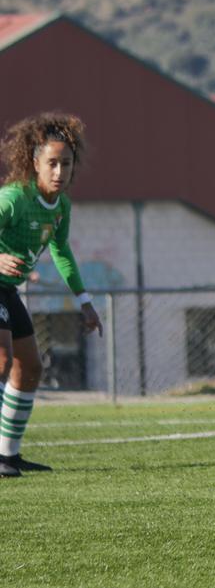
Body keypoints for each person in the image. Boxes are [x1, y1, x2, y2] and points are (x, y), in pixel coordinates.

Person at [0, 113, 103, 478]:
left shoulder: (61, 208)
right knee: (2, 360)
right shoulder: (13, 198)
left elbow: (62, 253)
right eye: (52, 163)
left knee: (30, 367)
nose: (59, 172)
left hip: (6, 290)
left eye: (66, 164)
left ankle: (8, 456)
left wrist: (85, 302)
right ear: (34, 163)